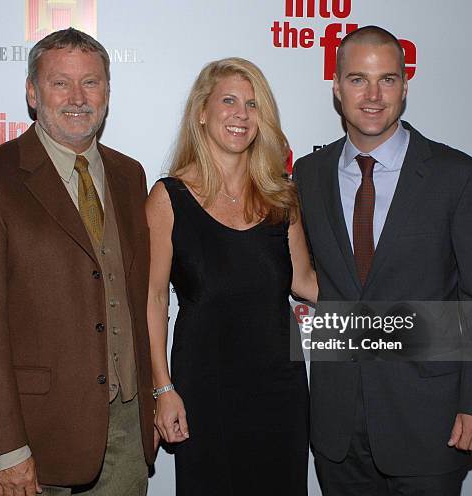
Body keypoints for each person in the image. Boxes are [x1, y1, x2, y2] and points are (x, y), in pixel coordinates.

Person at [293, 25, 472, 495]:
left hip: (430, 420)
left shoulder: (460, 177)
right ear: (336, 87)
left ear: (405, 86)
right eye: (358, 79)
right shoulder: (308, 175)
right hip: (336, 424)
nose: (373, 95)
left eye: (387, 79)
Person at [0, 28, 157, 496]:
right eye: (61, 82)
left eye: (91, 83)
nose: (78, 97)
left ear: (108, 92)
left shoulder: (128, 174)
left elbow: (135, 297)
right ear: (32, 92)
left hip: (127, 427)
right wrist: (5, 451)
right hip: (36, 437)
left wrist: (152, 405)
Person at [146, 57, 317, 495]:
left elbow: (304, 281)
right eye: (229, 100)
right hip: (206, 389)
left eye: (253, 104)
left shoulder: (282, 197)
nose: (242, 113)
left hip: (281, 390)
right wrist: (161, 388)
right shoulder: (168, 198)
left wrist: (395, 314)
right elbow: (153, 299)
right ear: (202, 111)